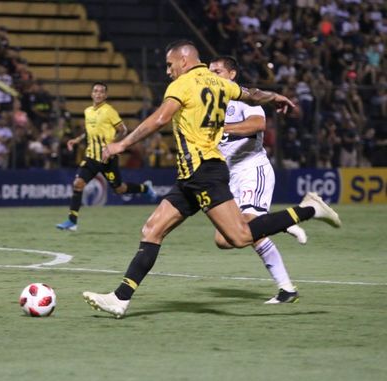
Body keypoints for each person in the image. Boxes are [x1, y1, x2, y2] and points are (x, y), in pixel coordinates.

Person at [83, 40, 341, 318]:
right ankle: (120, 299)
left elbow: (159, 119)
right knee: (152, 230)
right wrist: (275, 96)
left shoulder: (182, 84)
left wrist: (122, 145)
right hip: (189, 176)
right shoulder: (220, 83)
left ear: (184, 60)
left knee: (239, 236)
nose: (168, 71)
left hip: (204, 172)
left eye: (170, 65)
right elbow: (251, 94)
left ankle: (311, 209)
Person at [209, 55, 307, 304]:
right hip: (229, 179)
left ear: (232, 75)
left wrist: (223, 129)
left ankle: (287, 289)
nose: (212, 76)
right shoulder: (210, 103)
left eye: (217, 71)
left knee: (248, 225)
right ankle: (277, 224)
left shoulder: (243, 97)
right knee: (224, 239)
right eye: (210, 72)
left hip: (252, 170)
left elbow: (257, 124)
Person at [56, 82, 157, 231]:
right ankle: (72, 221)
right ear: (91, 94)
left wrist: (113, 145)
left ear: (105, 95)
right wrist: (76, 140)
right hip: (91, 157)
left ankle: (145, 188)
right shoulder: (88, 111)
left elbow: (123, 130)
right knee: (78, 183)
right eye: (95, 91)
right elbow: (90, 132)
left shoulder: (109, 111)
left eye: (101, 92)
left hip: (108, 158)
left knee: (119, 189)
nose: (98, 94)